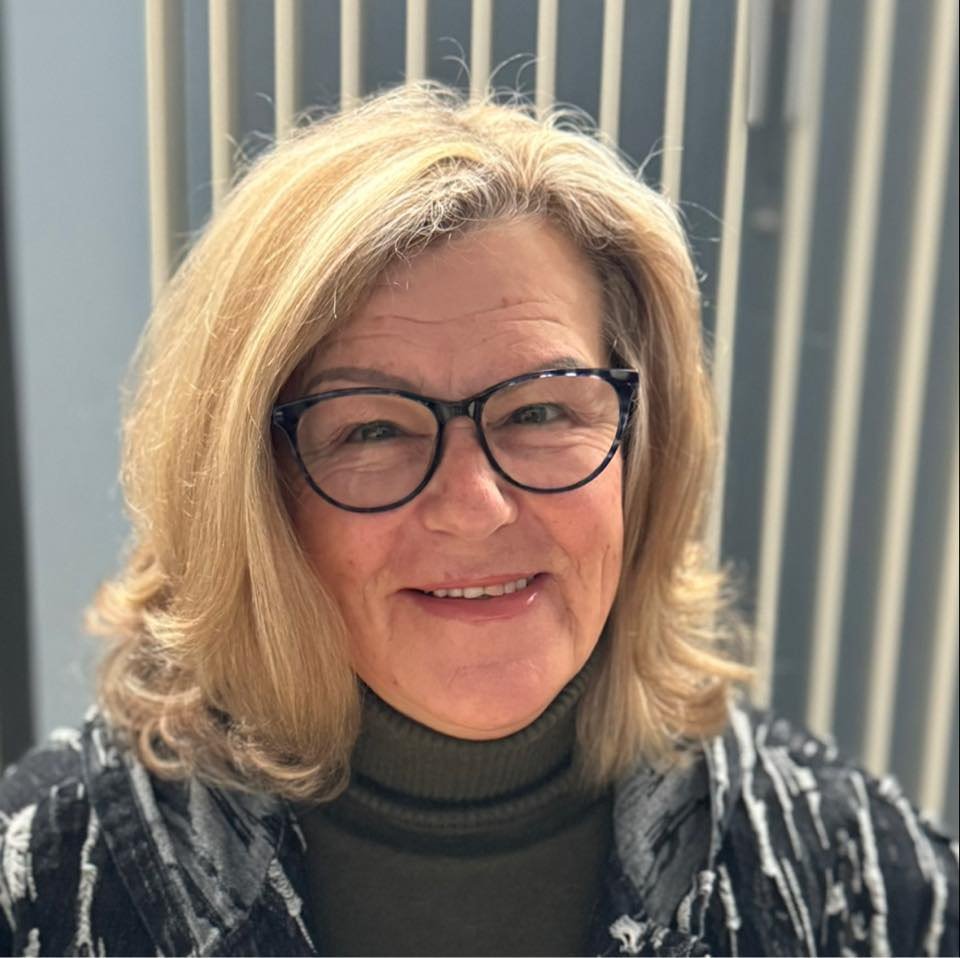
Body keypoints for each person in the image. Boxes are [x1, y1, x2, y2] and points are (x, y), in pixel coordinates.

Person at [0, 82, 956, 958]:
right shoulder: (43, 878)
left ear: (639, 446)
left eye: (542, 410)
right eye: (370, 429)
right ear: (250, 492)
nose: (475, 506)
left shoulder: (858, 876)